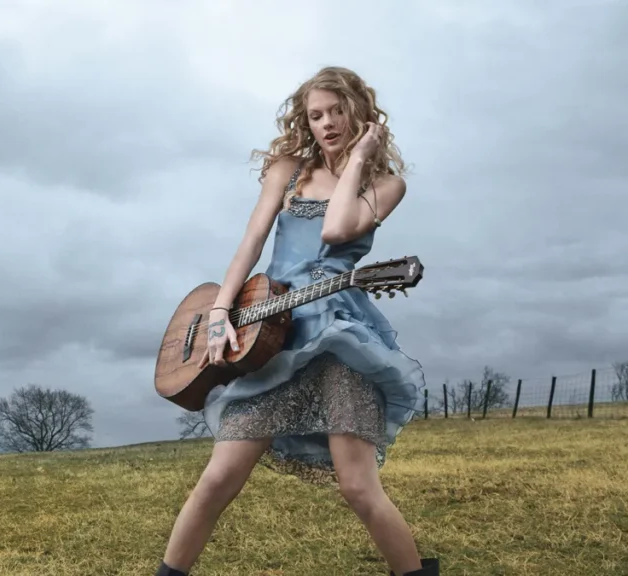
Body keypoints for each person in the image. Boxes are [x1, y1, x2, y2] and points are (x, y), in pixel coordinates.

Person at [154, 66, 438, 576]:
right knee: (218, 478)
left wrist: (357, 161)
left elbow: (336, 230)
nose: (326, 123)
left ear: (361, 113)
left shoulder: (387, 184)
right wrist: (221, 310)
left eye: (337, 111)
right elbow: (252, 241)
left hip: (339, 338)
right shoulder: (287, 171)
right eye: (315, 115)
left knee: (356, 485)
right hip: (270, 333)